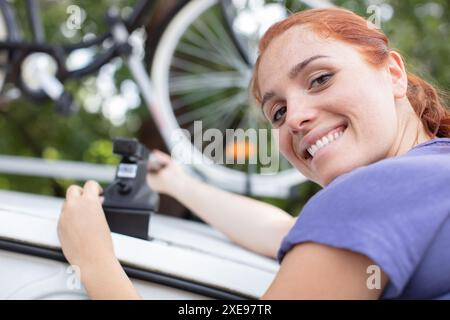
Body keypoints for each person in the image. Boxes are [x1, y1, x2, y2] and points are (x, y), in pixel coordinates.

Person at [57, 7, 450, 299]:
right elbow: (280, 230)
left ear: (394, 74)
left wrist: (93, 262)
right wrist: (178, 183)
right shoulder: (428, 176)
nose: (294, 117)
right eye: (277, 112)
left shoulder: (374, 190)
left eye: (320, 78)